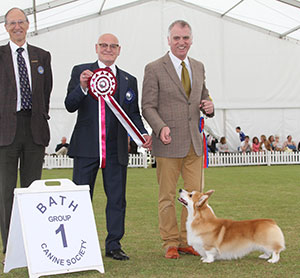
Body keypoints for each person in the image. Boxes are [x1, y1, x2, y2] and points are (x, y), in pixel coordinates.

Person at [65, 33, 151, 261]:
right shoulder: (81, 71)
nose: (108, 49)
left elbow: (133, 114)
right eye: (104, 45)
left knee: (117, 199)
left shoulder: (128, 80)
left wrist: (142, 133)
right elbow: (69, 105)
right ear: (96, 47)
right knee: (80, 200)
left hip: (116, 149)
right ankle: (76, 243)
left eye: (113, 46)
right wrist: (83, 87)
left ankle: (114, 244)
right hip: (86, 148)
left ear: (119, 50)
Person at [142, 20, 214, 259]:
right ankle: (170, 242)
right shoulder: (154, 68)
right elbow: (148, 106)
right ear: (169, 40)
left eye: (185, 38)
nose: (181, 42)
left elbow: (203, 96)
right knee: (167, 197)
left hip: (194, 142)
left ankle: (187, 241)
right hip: (167, 143)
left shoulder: (199, 66)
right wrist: (160, 126)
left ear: (191, 40)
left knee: (195, 199)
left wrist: (210, 106)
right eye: (176, 38)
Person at [0, 8, 52, 256]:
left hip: (34, 130)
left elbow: (46, 91)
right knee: (6, 192)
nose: (17, 26)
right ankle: (11, 248)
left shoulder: (42, 56)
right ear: (6, 27)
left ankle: (33, 246)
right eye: (12, 23)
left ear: (28, 24)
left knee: (33, 192)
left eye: (21, 21)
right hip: (6, 132)